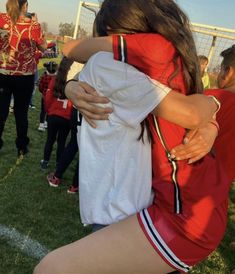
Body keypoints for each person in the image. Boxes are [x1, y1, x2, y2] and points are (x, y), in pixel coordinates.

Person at [34, 1, 227, 274]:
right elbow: (204, 109)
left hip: (179, 217)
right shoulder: (175, 60)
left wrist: (71, 85)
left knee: (50, 268)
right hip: (193, 206)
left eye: (110, 36)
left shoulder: (135, 57)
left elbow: (72, 49)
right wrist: (213, 116)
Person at [0, 0, 47, 155]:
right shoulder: (33, 25)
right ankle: (21, 147)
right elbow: (44, 47)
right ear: (25, 6)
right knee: (21, 113)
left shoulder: (1, 19)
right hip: (24, 76)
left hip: (3, 73)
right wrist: (36, 24)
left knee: (1, 112)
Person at [40, 57, 73, 170]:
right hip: (66, 117)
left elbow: (48, 98)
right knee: (61, 141)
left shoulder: (56, 79)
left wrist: (49, 111)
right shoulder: (75, 82)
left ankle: (45, 161)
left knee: (50, 139)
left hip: (54, 115)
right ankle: (59, 163)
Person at [47, 107, 79, 194]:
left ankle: (58, 178)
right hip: (85, 112)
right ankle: (74, 185)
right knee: (77, 146)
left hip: (81, 112)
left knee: (74, 145)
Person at [38, 61, 58, 132]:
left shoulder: (44, 76)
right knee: (50, 110)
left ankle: (41, 124)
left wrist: (43, 92)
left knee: (43, 110)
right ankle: (46, 123)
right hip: (53, 97)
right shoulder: (57, 78)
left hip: (44, 96)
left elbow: (40, 86)